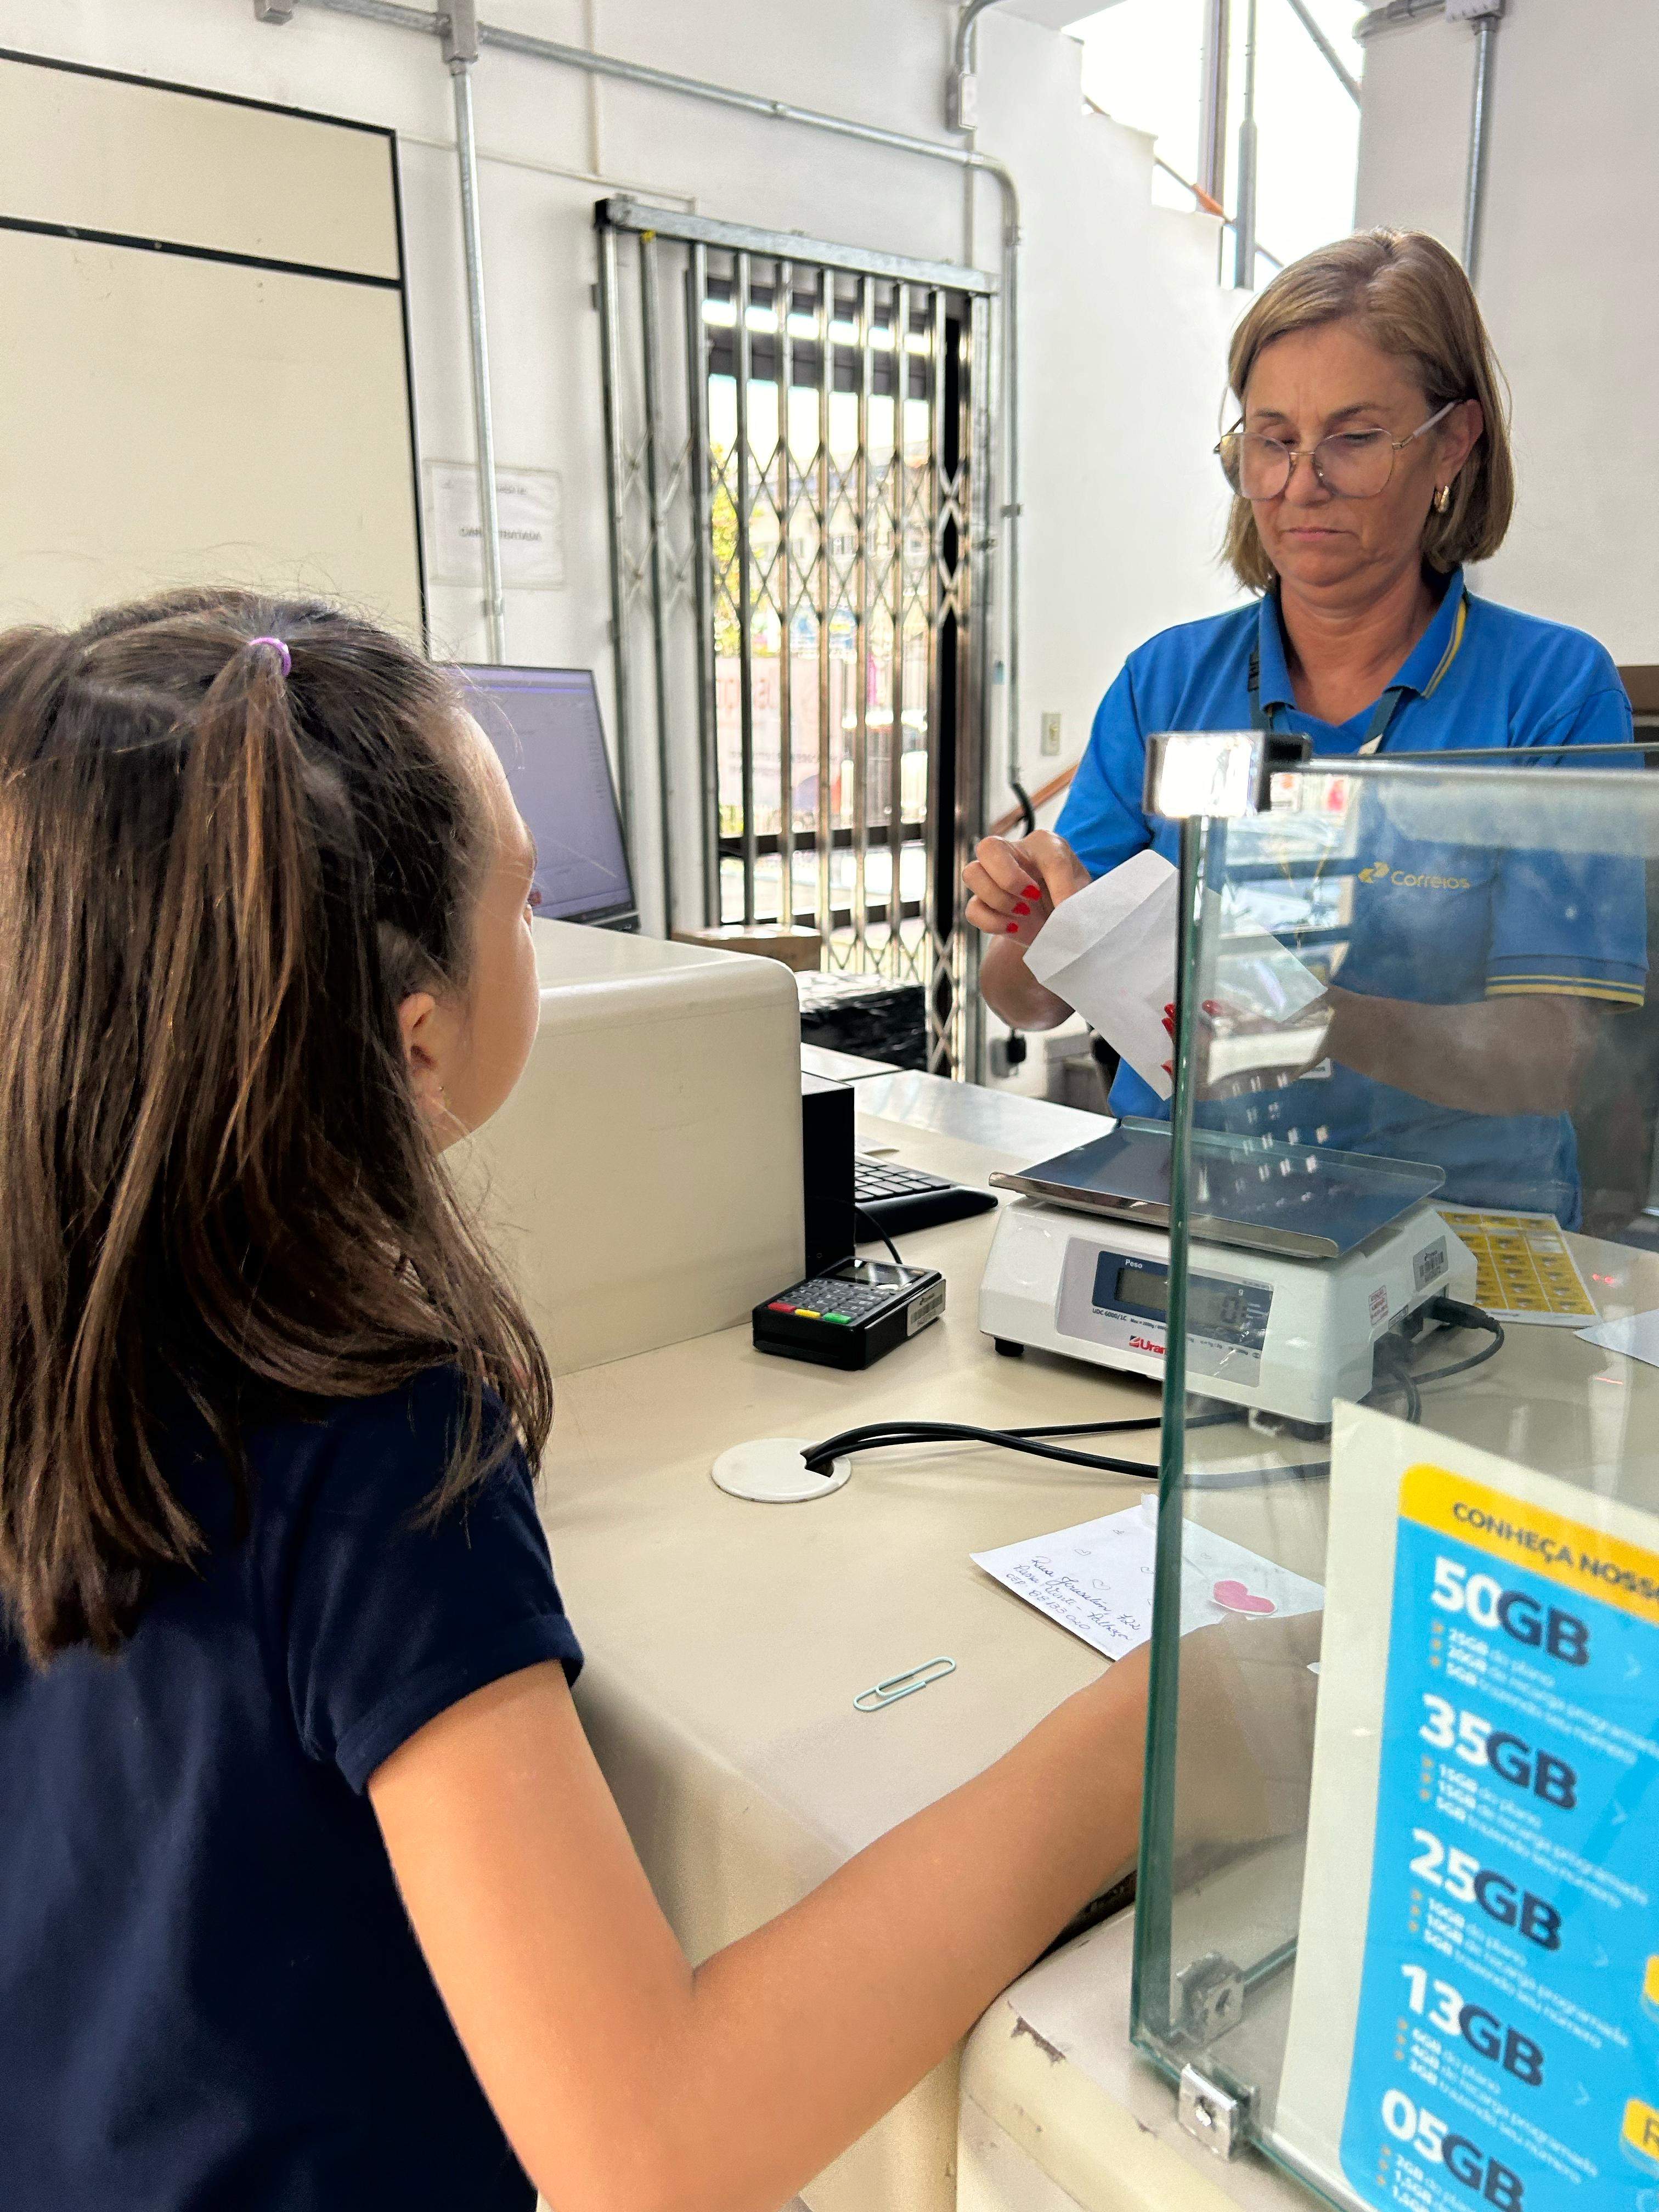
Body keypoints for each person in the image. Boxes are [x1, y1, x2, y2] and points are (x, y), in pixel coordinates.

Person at [0, 588, 1158, 2212]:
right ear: (415, 1041)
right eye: (526, 904)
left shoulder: (60, 1337)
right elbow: (649, 2145)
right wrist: (1146, 1745)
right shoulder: (372, 1430)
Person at [967, 229, 1643, 1222]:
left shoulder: (1549, 691)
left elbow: (1559, 1056)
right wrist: (1033, 927)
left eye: (1354, 439)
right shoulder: (1168, 682)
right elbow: (1028, 1001)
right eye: (1271, 440)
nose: (1300, 483)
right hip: (1184, 1209)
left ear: (1454, 442)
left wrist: (1303, 1013)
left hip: (1453, 1223)